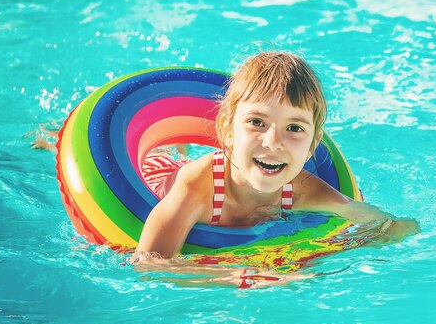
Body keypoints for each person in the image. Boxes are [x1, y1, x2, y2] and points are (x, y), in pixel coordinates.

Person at [134, 51, 419, 261]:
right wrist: (238, 275)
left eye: (294, 128)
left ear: (312, 145)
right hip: (158, 173)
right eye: (257, 122)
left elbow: (391, 225)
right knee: (167, 156)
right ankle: (172, 146)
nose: (273, 142)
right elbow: (149, 264)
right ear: (227, 128)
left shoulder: (303, 190)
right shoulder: (197, 186)